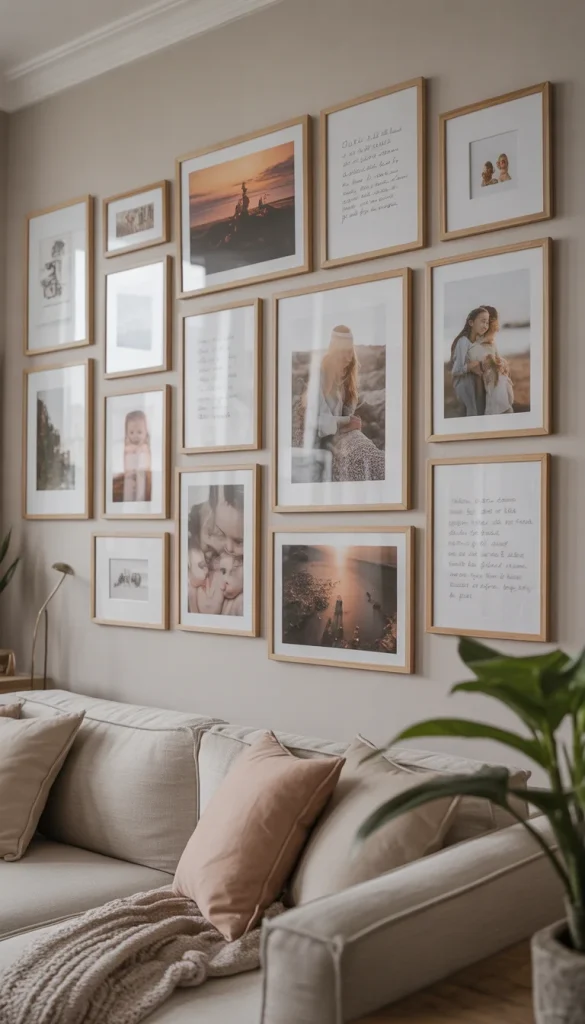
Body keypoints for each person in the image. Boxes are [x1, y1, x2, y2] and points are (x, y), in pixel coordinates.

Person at [306, 325, 385, 482]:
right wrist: (348, 421)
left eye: (350, 352)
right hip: (325, 443)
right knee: (365, 458)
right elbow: (322, 424)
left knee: (376, 458)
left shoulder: (346, 376)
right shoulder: (320, 376)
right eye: (343, 353)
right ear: (334, 352)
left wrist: (348, 385)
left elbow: (346, 413)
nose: (348, 358)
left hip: (344, 436)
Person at [450, 307, 490, 416]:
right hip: (465, 386)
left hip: (474, 385)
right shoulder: (463, 342)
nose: (486, 325)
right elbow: (455, 370)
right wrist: (471, 365)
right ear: (471, 322)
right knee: (472, 413)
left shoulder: (476, 343)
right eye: (483, 321)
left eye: (487, 322)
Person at [123, 410, 151, 502]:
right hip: (129, 473)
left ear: (146, 432)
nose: (135, 436)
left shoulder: (144, 447)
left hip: (141, 472)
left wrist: (139, 450)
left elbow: (145, 462)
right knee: (128, 487)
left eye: (139, 432)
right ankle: (127, 502)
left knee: (141, 484)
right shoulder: (127, 447)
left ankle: (140, 501)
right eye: (131, 432)